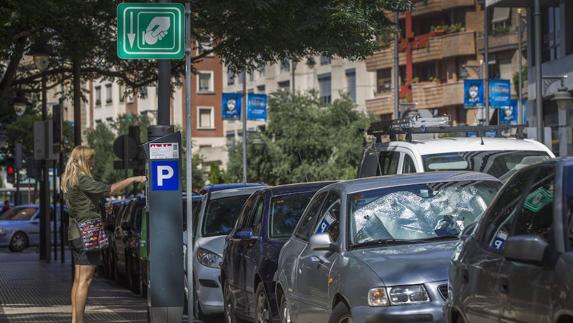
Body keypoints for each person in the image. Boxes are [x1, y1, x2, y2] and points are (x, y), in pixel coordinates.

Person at [61, 146, 146, 323]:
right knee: (86, 280)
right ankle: (79, 321)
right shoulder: (82, 179)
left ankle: (76, 319)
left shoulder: (69, 179)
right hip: (87, 233)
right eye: (91, 159)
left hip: (75, 233)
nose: (93, 163)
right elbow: (110, 189)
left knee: (78, 280)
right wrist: (133, 179)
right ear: (84, 160)